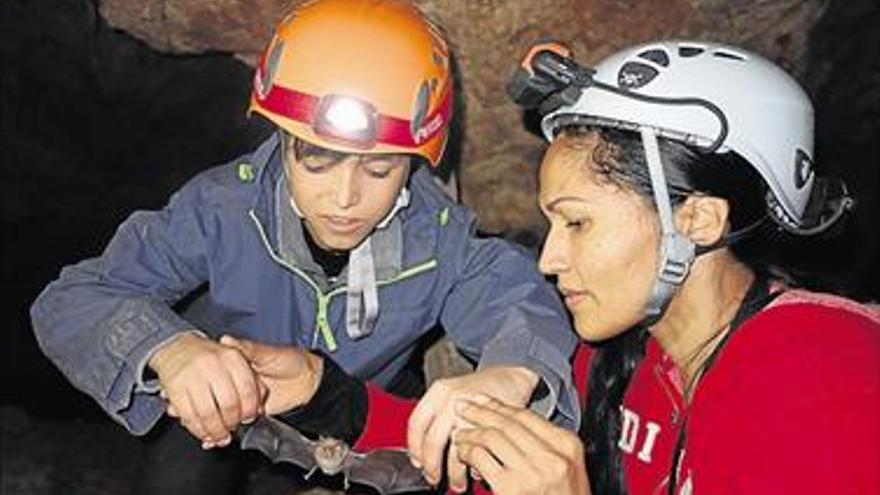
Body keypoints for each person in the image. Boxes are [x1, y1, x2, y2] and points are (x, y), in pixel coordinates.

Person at [225, 39, 880, 495]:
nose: (548, 257)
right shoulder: (622, 360)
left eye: (578, 221)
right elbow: (475, 450)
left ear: (698, 220)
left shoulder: (823, 379)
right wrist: (325, 392)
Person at [28, 2, 579, 494]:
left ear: (416, 161)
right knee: (179, 476)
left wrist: (509, 371)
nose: (345, 197)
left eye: (381, 168)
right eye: (316, 159)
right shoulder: (222, 207)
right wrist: (168, 349)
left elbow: (517, 296)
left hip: (355, 405)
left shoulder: (438, 237)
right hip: (228, 409)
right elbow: (72, 298)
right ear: (283, 140)